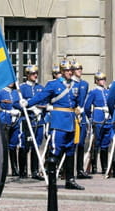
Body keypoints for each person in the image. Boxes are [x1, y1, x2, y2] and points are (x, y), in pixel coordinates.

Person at [19, 59, 85, 190]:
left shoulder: (76, 85)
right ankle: (52, 179)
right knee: (55, 149)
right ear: (61, 71)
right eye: (66, 71)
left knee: (70, 150)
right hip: (59, 121)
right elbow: (42, 96)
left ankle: (70, 179)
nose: (69, 73)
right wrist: (28, 103)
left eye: (70, 70)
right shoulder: (53, 85)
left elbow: (77, 101)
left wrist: (80, 108)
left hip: (71, 120)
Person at [19, 64, 46, 180]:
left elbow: (45, 101)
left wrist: (42, 108)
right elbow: (17, 102)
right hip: (27, 119)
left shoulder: (40, 88)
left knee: (37, 145)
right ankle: (23, 171)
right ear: (27, 75)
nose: (35, 75)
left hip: (39, 120)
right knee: (25, 146)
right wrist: (29, 107)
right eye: (33, 74)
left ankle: (34, 171)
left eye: (36, 73)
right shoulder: (22, 88)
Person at [83, 71, 113, 175]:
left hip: (107, 119)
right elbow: (87, 106)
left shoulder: (108, 92)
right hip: (98, 118)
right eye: (100, 79)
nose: (103, 81)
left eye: (104, 79)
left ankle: (104, 166)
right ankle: (94, 166)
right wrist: (91, 117)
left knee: (105, 144)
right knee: (96, 143)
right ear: (96, 81)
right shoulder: (93, 92)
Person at [0, 82, 22, 177]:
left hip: (15, 119)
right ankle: (2, 169)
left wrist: (19, 109)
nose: (11, 83)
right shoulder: (0, 92)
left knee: (13, 144)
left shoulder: (16, 93)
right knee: (2, 145)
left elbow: (18, 104)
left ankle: (14, 169)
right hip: (4, 118)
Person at [70, 59, 91, 180]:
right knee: (72, 144)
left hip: (81, 116)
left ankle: (80, 169)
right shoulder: (70, 84)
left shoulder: (84, 84)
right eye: (77, 69)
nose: (80, 71)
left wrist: (84, 112)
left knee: (81, 144)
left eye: (80, 69)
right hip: (72, 115)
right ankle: (68, 169)